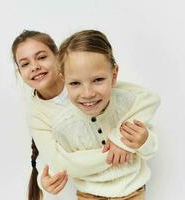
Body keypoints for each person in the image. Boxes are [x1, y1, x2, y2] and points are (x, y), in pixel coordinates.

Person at [11, 30, 159, 200]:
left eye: (42, 57)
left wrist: (131, 141)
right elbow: (59, 162)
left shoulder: (93, 83)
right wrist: (119, 148)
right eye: (24, 64)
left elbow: (146, 100)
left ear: (58, 58)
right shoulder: (47, 117)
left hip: (132, 190)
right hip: (89, 193)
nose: (35, 66)